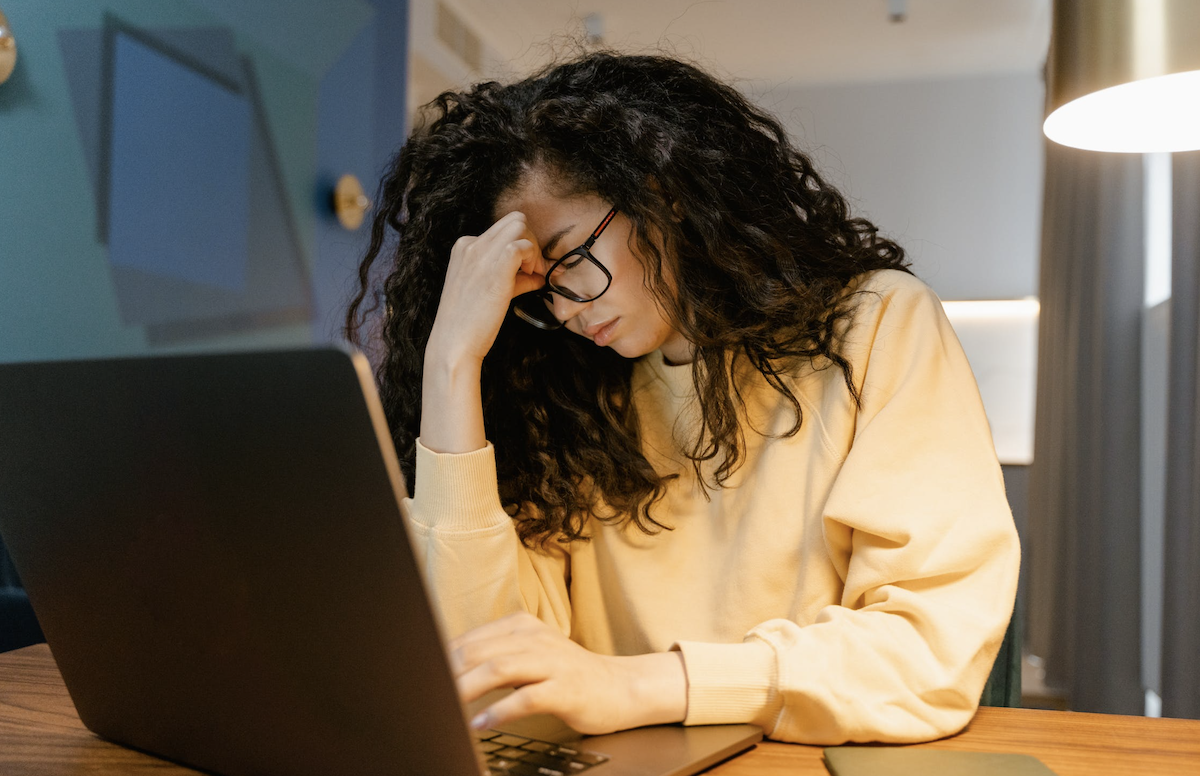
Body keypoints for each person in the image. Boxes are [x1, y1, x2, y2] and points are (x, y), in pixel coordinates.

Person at [345, 51, 1020, 745]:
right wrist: (452, 363)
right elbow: (487, 676)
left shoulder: (877, 326)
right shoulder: (564, 391)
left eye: (571, 258)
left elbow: (926, 650)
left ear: (661, 194)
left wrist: (632, 686)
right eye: (540, 286)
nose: (567, 308)